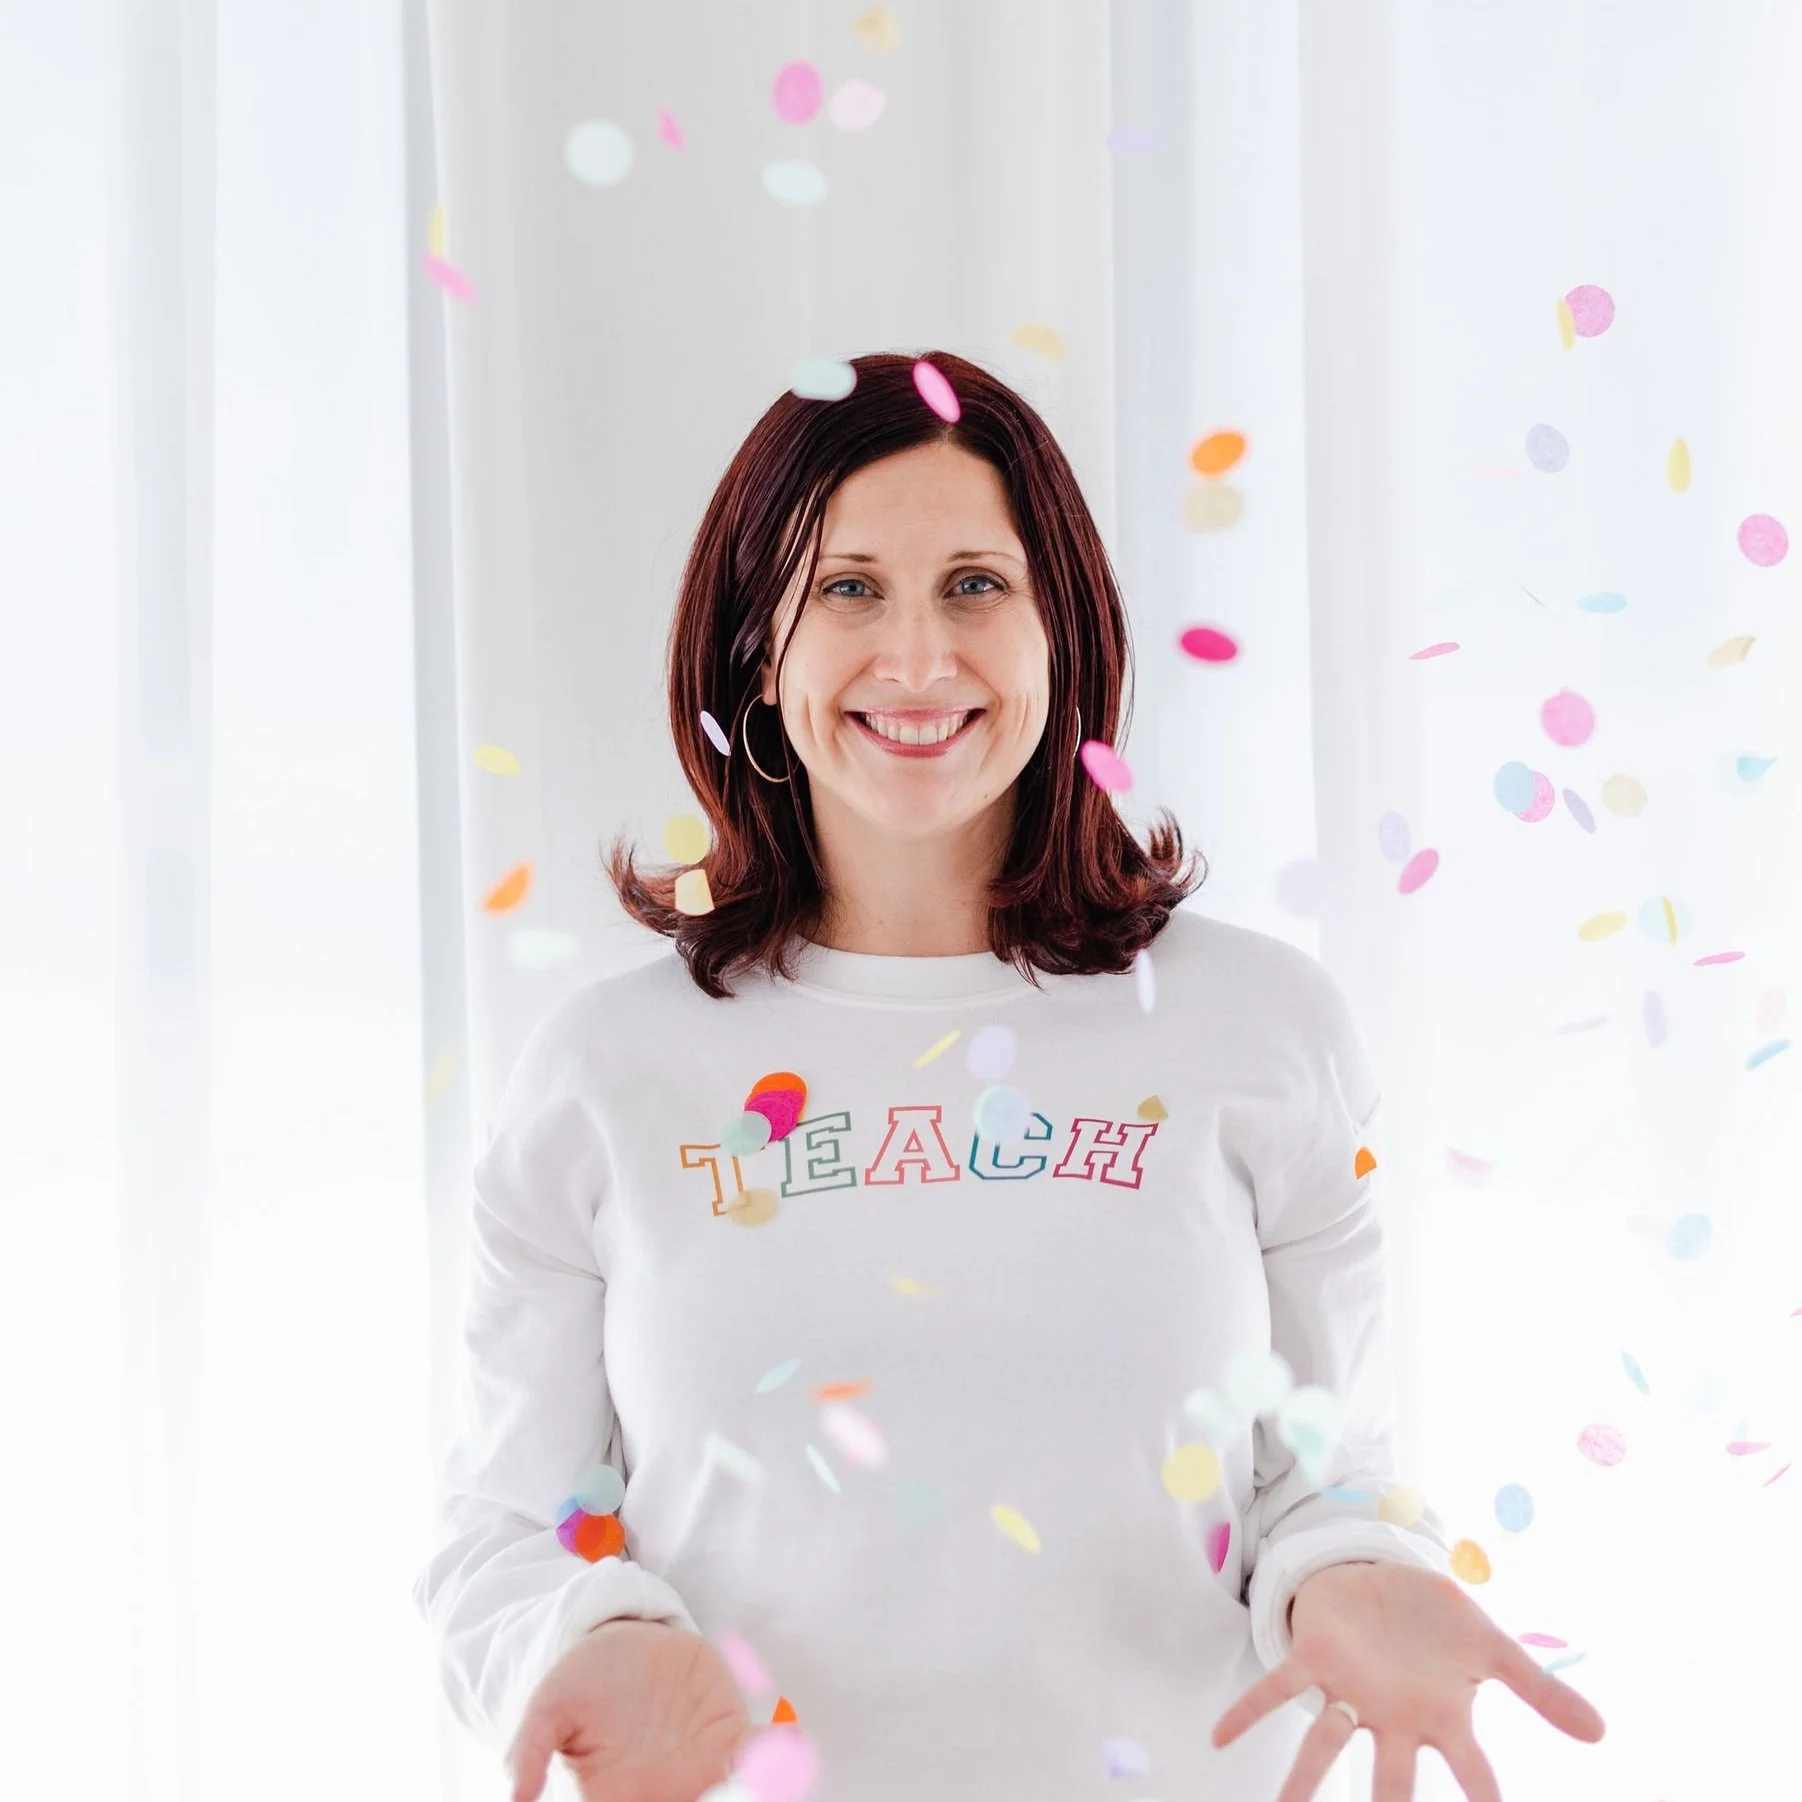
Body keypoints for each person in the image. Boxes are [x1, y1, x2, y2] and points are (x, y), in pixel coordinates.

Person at [411, 351, 1606, 1802]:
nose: (918, 659)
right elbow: (502, 1531)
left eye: (975, 584)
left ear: (1065, 633)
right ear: (755, 649)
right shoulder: (605, 1068)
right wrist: (588, 1635)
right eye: (849, 588)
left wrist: (1356, 1568)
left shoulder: (1258, 1023)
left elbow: (1326, 1469)